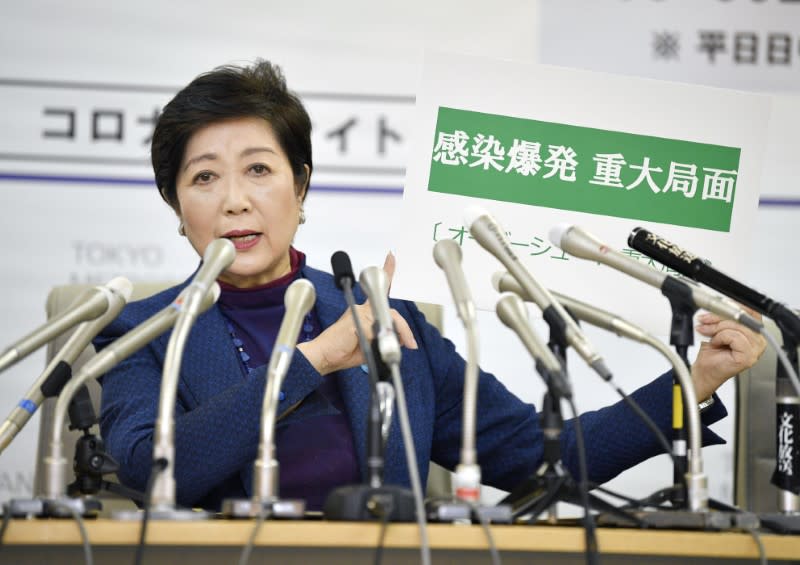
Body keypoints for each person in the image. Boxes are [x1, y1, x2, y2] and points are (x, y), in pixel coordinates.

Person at [94, 59, 766, 512]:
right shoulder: (143, 331)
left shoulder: (392, 319)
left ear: (300, 188)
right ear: (176, 205)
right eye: (205, 177)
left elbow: (547, 456)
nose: (235, 200)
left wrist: (696, 377)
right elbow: (156, 472)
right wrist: (315, 359)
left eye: (259, 170)